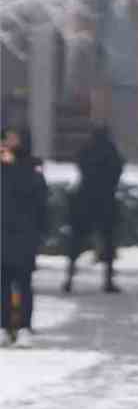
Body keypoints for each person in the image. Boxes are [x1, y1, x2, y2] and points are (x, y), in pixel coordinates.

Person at [1, 126, 49, 346]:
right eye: (6, 138)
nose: (8, 143)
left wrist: (38, 234)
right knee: (2, 284)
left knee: (23, 283)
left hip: (23, 236)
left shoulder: (32, 169)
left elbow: (40, 204)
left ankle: (23, 327)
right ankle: (3, 326)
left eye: (13, 138)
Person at [64, 123, 125, 294]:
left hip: (84, 199)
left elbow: (80, 165)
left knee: (76, 241)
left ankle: (69, 278)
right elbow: (118, 171)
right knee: (108, 241)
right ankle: (108, 280)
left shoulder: (86, 150)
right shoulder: (111, 152)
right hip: (105, 201)